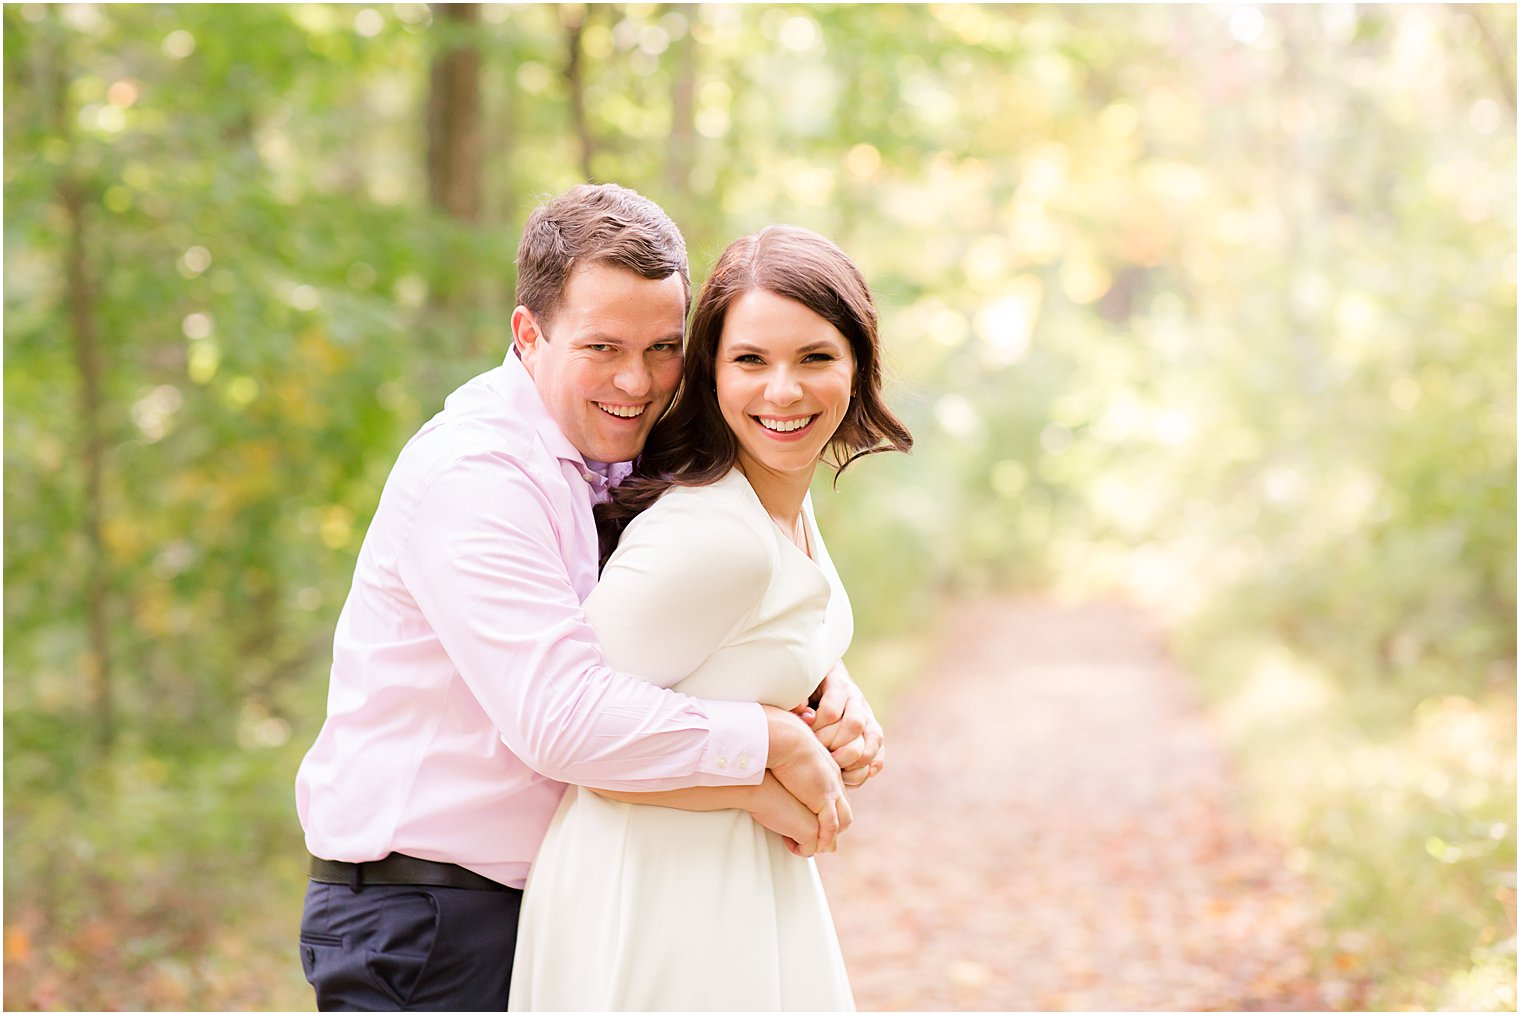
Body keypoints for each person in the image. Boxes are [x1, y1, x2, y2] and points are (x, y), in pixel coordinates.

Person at [294, 185, 884, 1011]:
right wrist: (770, 743)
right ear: (528, 334)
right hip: (427, 916)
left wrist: (822, 682)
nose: (636, 381)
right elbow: (562, 718)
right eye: (602, 346)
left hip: (548, 899)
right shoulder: (478, 477)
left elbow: (705, 620)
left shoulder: (617, 456)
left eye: (661, 348)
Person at [508, 225, 913, 1011]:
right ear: (711, 373)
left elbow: (747, 645)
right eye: (751, 360)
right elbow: (574, 745)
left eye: (815, 357)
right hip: (653, 899)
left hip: (737, 884)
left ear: (858, 363)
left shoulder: (774, 506)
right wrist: (761, 775)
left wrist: (835, 700)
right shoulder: (713, 533)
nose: (784, 391)